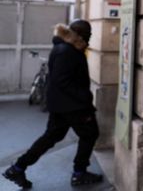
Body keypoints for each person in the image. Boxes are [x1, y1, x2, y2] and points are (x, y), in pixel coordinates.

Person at [3, 19, 103, 188]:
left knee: (51, 137)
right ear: (79, 34)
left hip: (62, 105)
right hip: (73, 106)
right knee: (90, 134)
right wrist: (85, 97)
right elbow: (62, 81)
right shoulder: (67, 51)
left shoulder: (65, 47)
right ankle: (79, 173)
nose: (90, 36)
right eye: (88, 33)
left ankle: (18, 167)